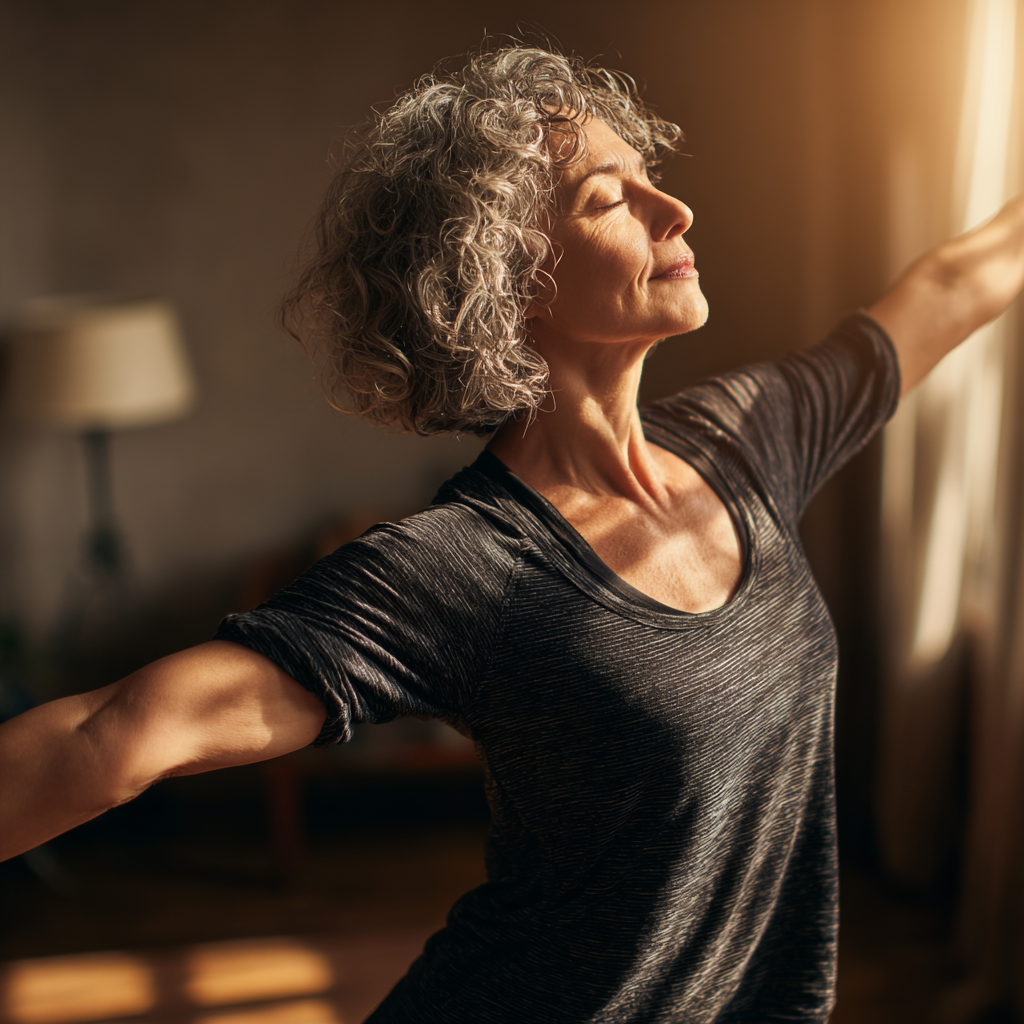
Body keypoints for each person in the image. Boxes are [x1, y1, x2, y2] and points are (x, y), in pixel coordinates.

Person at [1, 44, 1023, 1023]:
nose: (676, 208)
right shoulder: (459, 567)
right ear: (506, 278)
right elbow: (116, 734)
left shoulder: (750, 437)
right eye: (610, 197)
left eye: (647, 175)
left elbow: (948, 285)